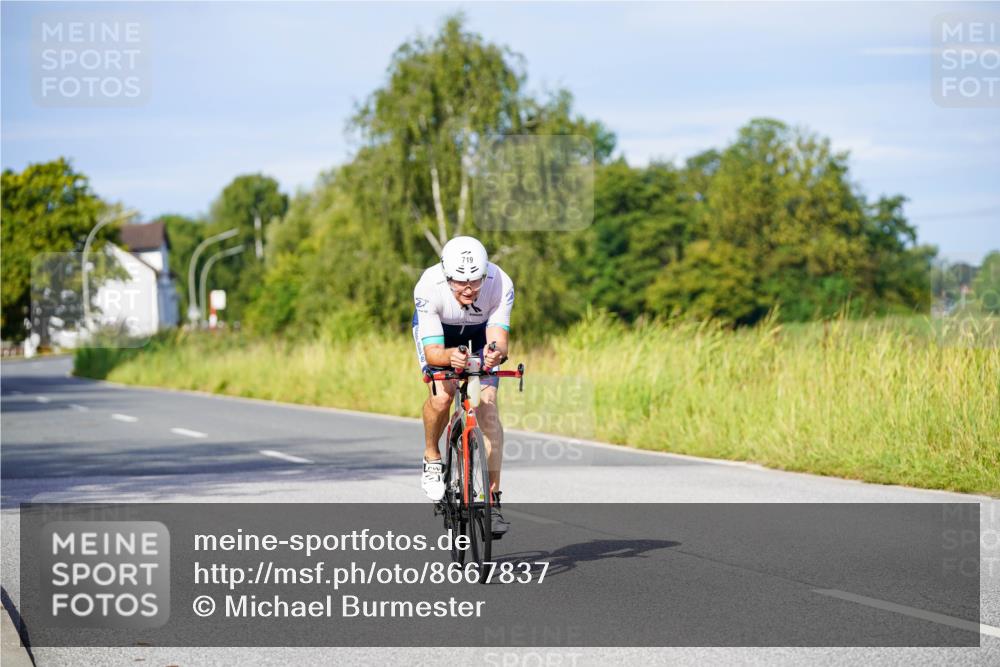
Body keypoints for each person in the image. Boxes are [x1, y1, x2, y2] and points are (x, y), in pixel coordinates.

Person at [412, 236, 514, 538]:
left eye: (475, 281)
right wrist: (449, 358)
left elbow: (499, 338)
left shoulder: (500, 282)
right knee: (442, 395)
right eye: (460, 283)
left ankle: (492, 501)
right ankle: (432, 456)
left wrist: (495, 352)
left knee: (489, 408)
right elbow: (433, 353)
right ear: (446, 275)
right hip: (439, 334)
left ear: (485, 274)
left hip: (481, 333)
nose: (468, 289)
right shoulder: (428, 286)